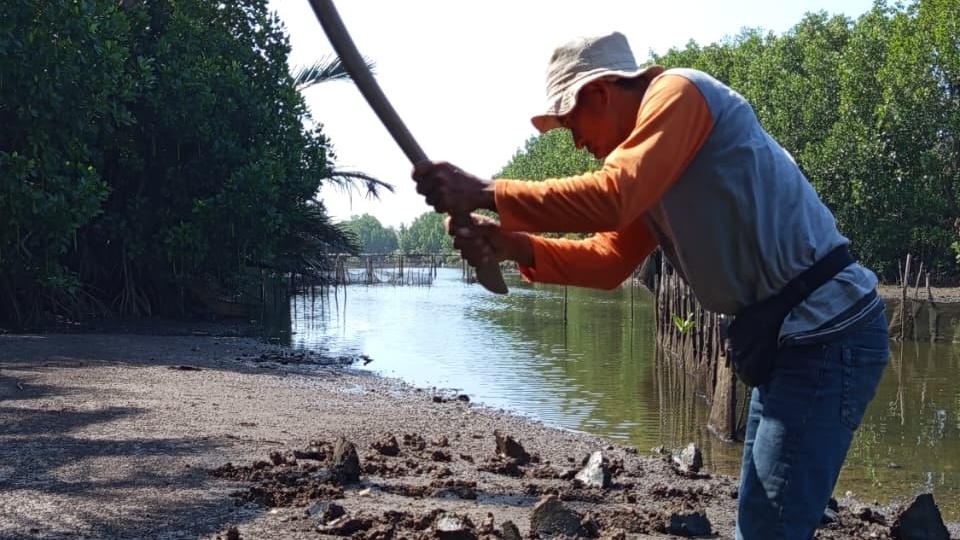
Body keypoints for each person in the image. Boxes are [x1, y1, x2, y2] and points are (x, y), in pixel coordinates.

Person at [411, 31, 890, 539]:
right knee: (764, 521)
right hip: (793, 336)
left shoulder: (679, 94)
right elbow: (608, 260)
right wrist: (515, 247)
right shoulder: (653, 166)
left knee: (769, 527)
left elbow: (614, 196)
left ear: (600, 91)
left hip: (828, 332)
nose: (576, 142)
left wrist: (485, 191)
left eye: (572, 123)